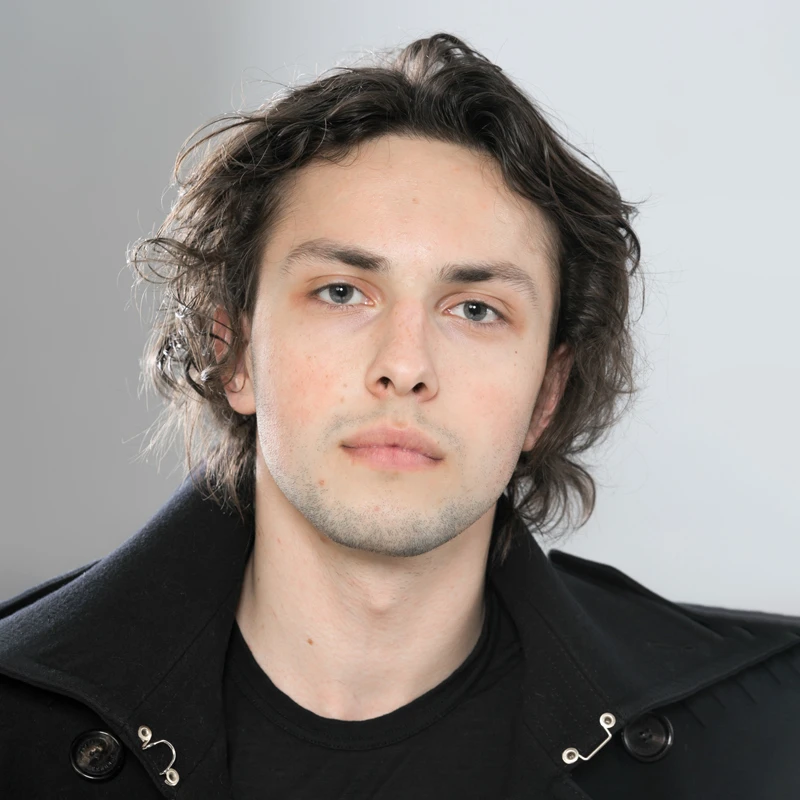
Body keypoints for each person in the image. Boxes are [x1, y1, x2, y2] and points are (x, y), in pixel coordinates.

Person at [0, 31, 798, 799]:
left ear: (546, 396)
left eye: (476, 309)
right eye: (342, 292)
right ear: (233, 351)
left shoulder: (767, 738)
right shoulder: (16, 723)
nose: (406, 366)